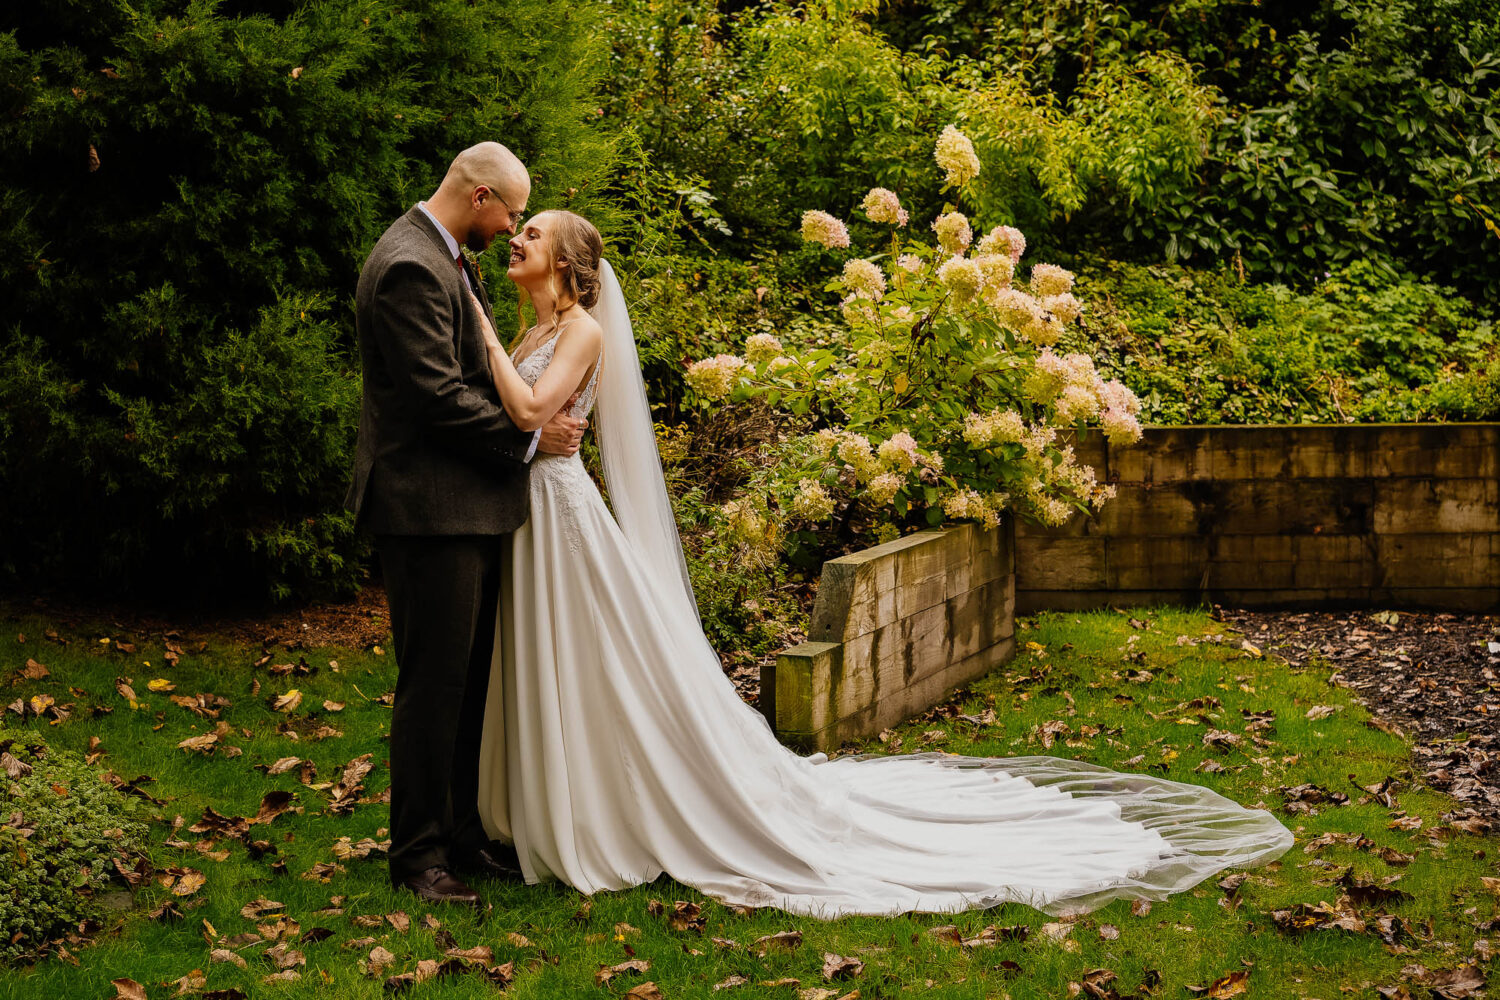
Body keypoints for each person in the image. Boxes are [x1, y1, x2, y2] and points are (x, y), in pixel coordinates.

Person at [466, 208, 1294, 919]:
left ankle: (611, 806)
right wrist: (516, 390)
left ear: (568, 264)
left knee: (589, 656)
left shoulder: (581, 328)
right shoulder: (536, 327)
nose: (516, 240)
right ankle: (556, 799)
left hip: (562, 510)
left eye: (530, 234)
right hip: (535, 508)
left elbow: (533, 408)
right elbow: (529, 420)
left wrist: (479, 332)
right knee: (563, 658)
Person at [344, 143, 588, 907]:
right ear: (481, 197)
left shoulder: (446, 257)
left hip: (464, 504)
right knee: (435, 684)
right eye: (512, 211)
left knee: (469, 684)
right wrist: (527, 437)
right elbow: (435, 397)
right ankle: (418, 857)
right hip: (427, 510)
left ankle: (459, 834)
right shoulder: (413, 264)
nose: (514, 226)